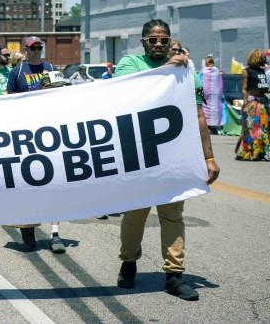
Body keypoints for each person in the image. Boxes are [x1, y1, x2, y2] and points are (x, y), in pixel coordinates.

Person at [114, 19, 220, 301]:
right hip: (139, 154)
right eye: (152, 40)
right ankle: (129, 263)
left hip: (174, 154)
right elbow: (131, 96)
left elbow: (198, 115)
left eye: (163, 40)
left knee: (172, 215)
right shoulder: (130, 64)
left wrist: (208, 156)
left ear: (170, 40)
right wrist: (171, 67)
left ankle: (174, 274)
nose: (158, 44)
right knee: (135, 213)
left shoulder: (187, 72)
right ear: (143, 41)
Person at [11, 71, 70, 254]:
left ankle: (55, 234)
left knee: (57, 192)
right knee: (34, 193)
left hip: (56, 155)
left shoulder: (66, 108)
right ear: (45, 88)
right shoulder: (27, 108)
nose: (61, 93)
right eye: (56, 88)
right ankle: (28, 225)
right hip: (33, 157)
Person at [235, 49, 269, 161]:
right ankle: (247, 152)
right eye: (262, 57)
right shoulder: (246, 71)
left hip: (262, 102)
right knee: (251, 129)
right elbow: (244, 89)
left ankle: (260, 151)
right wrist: (245, 104)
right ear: (256, 57)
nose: (264, 59)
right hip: (252, 103)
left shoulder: (262, 71)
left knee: (262, 129)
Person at [199, 56, 224, 134]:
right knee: (214, 110)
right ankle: (213, 126)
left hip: (206, 94)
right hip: (215, 94)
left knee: (205, 109)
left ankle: (208, 126)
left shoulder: (203, 71)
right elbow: (220, 83)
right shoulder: (217, 72)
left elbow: (199, 80)